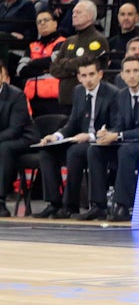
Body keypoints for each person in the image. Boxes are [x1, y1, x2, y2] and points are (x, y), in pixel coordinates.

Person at [38, 57, 116, 220]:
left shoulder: (112, 93)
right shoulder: (78, 91)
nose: (88, 79)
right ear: (79, 77)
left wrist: (89, 136)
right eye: (84, 75)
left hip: (100, 142)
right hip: (78, 139)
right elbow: (72, 122)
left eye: (91, 74)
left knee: (75, 152)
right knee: (47, 151)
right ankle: (54, 203)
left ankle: (70, 206)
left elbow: (116, 126)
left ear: (100, 74)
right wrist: (56, 135)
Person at [97, 53, 139, 222]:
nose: (132, 75)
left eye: (136, 70)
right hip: (127, 143)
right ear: (122, 75)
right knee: (95, 150)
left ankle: (122, 205)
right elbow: (119, 125)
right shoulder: (120, 96)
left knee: (126, 151)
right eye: (128, 71)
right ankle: (97, 205)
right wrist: (107, 134)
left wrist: (118, 135)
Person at [0, 55, 39, 216]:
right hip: (4, 137)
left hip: (25, 137)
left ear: (2, 76)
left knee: (4, 147)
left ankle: (1, 201)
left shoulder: (16, 96)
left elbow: (15, 129)